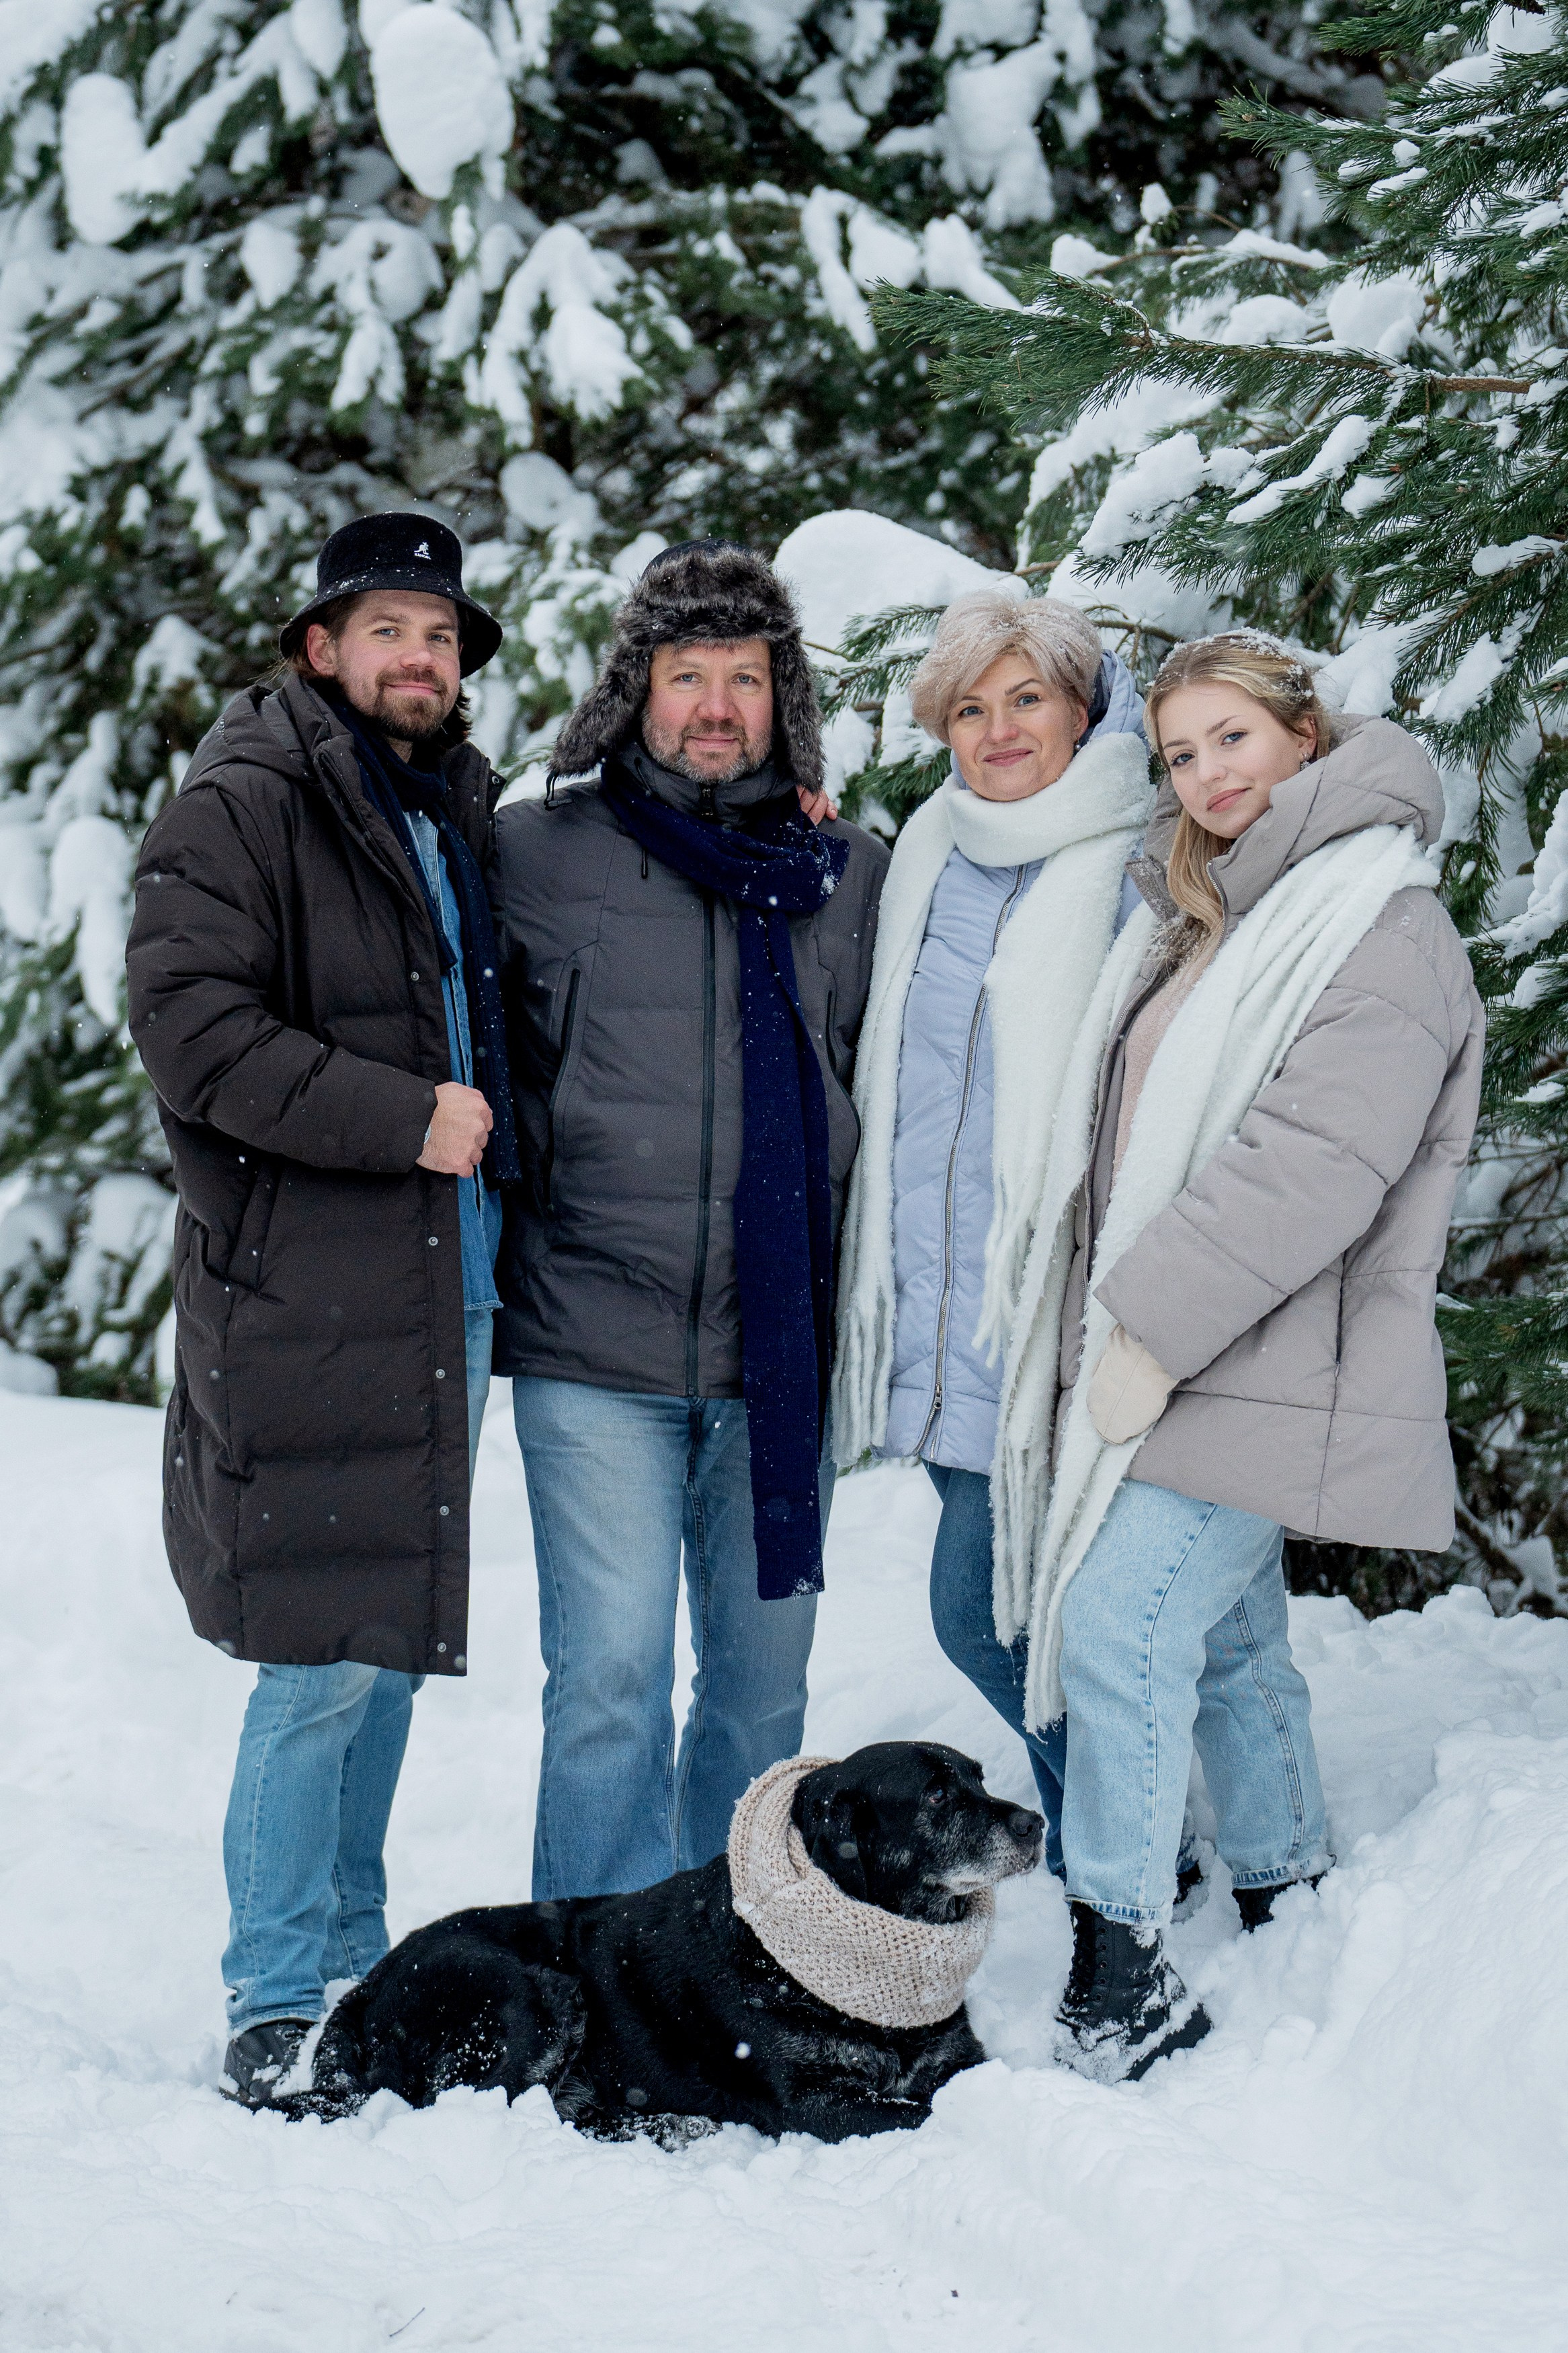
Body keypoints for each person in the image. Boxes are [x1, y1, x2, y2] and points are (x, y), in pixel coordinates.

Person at [1016, 632, 1483, 2081]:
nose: (1208, 775)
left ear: (1303, 735)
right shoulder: (1219, 910)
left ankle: (1121, 1962)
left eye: (1233, 738)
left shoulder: (1378, 920)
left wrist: (1148, 1324)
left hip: (1265, 1346)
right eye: (1179, 753)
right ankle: (1286, 1876)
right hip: (1206, 1339)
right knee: (1224, 1635)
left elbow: (1312, 1168)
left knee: (1122, 1629)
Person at [125, 514, 516, 2106]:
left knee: (388, 1637)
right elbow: (189, 1029)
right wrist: (400, 1112)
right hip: (313, 1295)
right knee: (318, 1660)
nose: (416, 660)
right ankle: (276, 1995)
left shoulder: (452, 807)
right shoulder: (247, 803)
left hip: (453, 1290)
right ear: (321, 649)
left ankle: (351, 1959)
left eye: (439, 636)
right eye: (386, 632)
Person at [493, 540, 890, 1901]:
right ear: (634, 692)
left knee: (761, 1696)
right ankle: (596, 1967)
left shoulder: (851, 872)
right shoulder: (534, 855)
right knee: (608, 1680)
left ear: (784, 702)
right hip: (590, 1338)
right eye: (687, 674)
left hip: (777, 1355)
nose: (717, 704)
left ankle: (732, 1958)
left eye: (747, 676)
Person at [832, 587, 1152, 1875]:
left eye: (1027, 698)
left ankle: (1115, 1862)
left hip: (1059, 1314)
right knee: (1016, 1615)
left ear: (1084, 710)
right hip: (939, 1302)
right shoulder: (926, 852)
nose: (999, 729)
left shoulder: (1141, 851)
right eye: (970, 707)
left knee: (985, 1616)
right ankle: (1118, 1853)